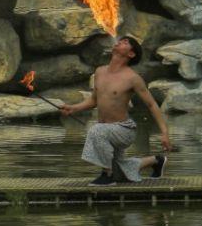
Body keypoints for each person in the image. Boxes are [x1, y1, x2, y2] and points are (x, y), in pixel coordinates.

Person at [61, 35, 173, 185]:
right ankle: (156, 161)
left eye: (126, 42)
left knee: (96, 130)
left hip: (123, 130)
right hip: (106, 131)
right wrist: (73, 108)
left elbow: (152, 105)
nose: (120, 41)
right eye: (121, 40)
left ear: (131, 54)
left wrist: (164, 133)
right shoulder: (100, 71)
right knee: (120, 171)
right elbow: (94, 100)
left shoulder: (132, 78)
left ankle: (106, 175)